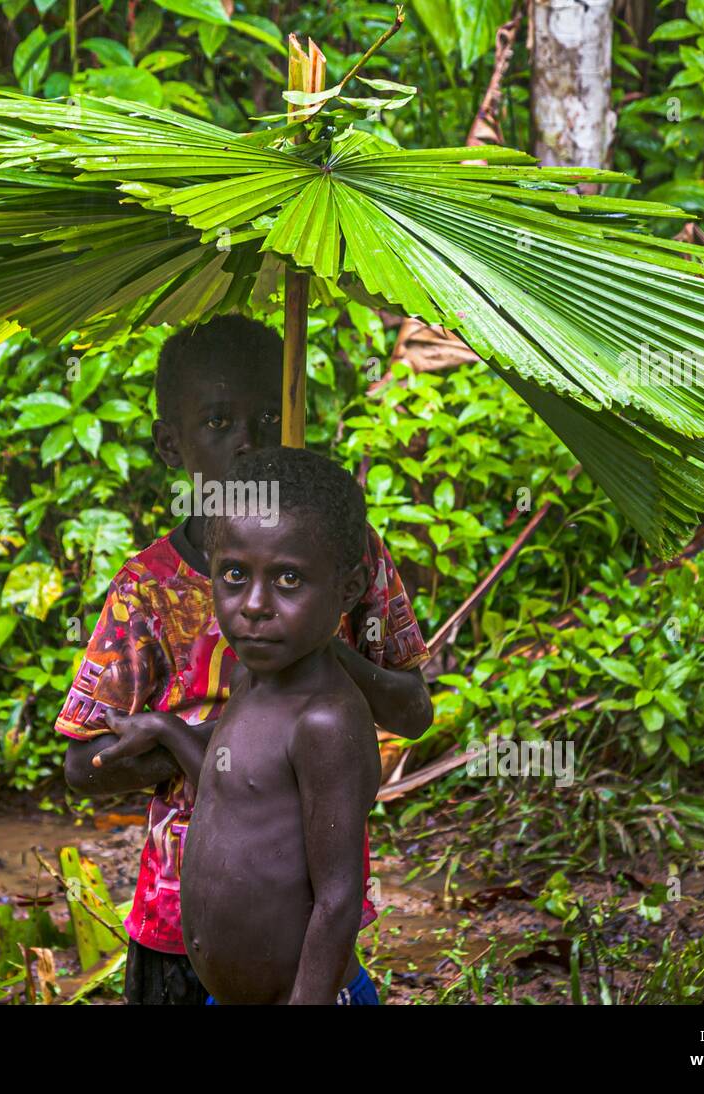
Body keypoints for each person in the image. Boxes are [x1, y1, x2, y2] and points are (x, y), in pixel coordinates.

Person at [54, 314, 431, 1005]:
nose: (249, 442)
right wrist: (215, 746)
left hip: (297, 919)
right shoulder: (149, 588)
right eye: (219, 422)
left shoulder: (349, 556)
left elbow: (411, 711)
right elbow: (84, 765)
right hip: (178, 914)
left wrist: (328, 657)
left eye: (266, 416)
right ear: (173, 444)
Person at [101, 446, 384, 1004]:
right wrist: (163, 728)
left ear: (347, 590)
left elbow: (337, 899)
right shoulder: (255, 678)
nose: (254, 605)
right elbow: (229, 785)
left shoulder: (325, 720)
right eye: (234, 574)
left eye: (288, 580)